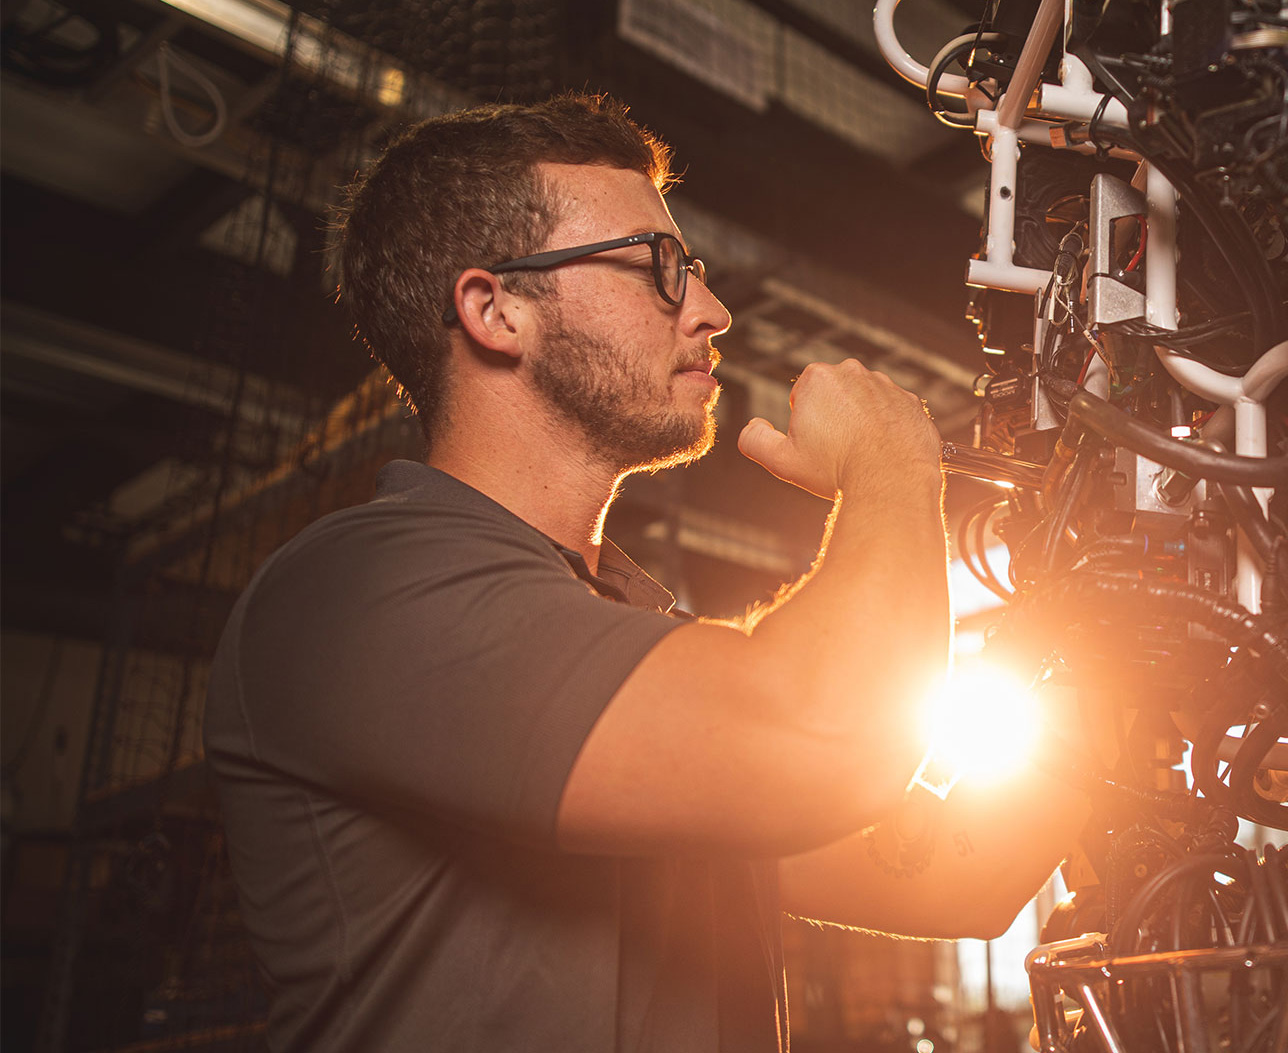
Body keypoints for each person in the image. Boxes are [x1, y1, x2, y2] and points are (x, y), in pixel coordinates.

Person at [204, 93, 1085, 1053]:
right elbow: (825, 740)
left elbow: (961, 873)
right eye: (656, 266)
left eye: (694, 269)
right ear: (495, 310)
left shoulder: (625, 624)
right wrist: (892, 463)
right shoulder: (363, 597)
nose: (711, 310)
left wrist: (1135, 643)